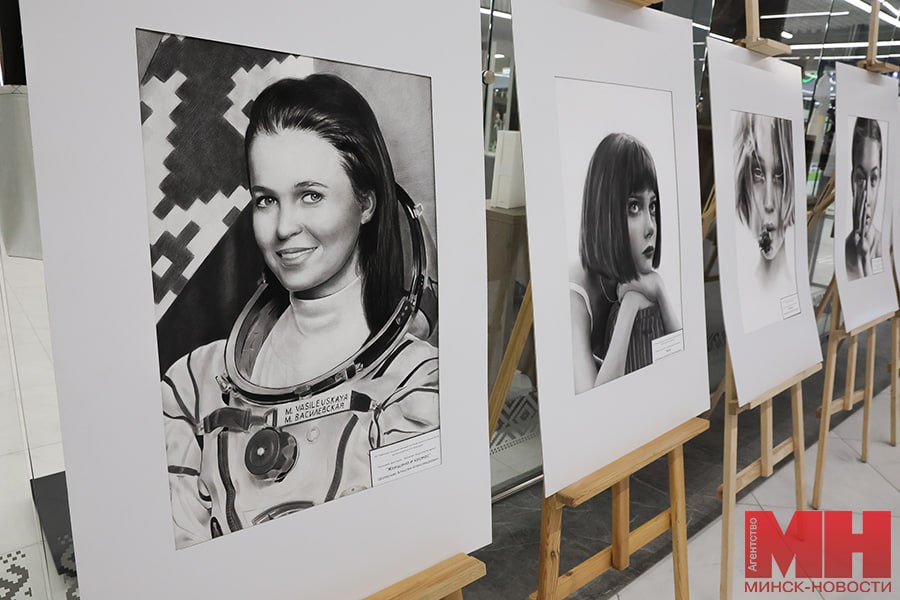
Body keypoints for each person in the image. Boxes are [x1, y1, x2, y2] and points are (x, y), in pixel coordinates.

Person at [161, 74, 439, 549]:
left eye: (311, 195)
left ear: (366, 202)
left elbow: (397, 556)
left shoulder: (415, 386)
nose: (284, 227)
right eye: (266, 200)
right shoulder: (192, 384)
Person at [569, 132, 681, 394]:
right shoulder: (574, 297)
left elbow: (684, 363)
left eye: (652, 207)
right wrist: (630, 305)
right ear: (604, 212)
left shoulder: (630, 276)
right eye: (633, 207)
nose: (650, 227)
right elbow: (595, 400)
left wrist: (660, 290)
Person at [732, 113, 798, 331]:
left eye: (779, 176)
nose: (769, 203)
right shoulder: (741, 285)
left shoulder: (790, 289)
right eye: (758, 173)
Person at [845, 117, 883, 280]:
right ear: (851, 180)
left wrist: (865, 258)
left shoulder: (886, 247)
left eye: (873, 179)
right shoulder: (843, 250)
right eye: (860, 179)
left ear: (880, 180)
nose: (867, 197)